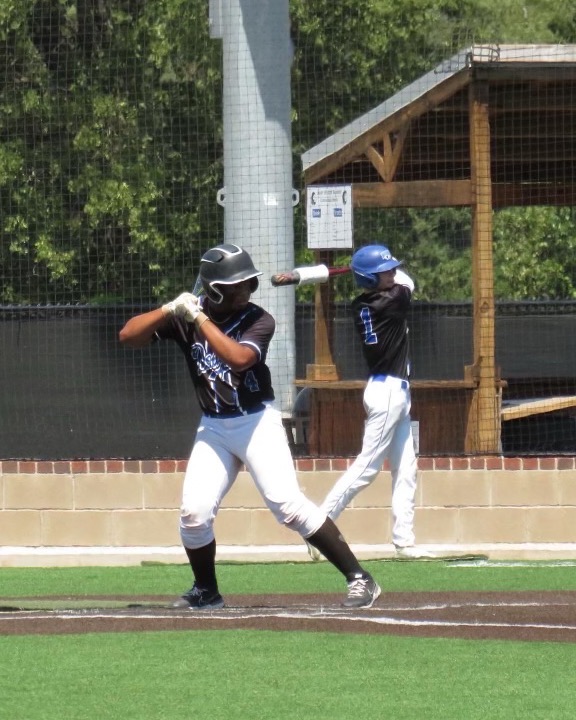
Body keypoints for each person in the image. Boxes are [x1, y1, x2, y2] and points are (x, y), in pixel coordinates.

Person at [119, 242, 381, 609]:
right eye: (236, 285)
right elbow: (127, 336)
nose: (246, 290)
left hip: (256, 422)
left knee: (288, 506)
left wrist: (198, 319)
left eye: (248, 283)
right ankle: (206, 591)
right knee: (193, 514)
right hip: (214, 426)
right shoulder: (186, 316)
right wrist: (169, 309)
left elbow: (239, 358)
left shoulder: (259, 319)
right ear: (214, 290)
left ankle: (360, 578)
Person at [307, 244, 435, 561]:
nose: (391, 273)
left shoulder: (362, 304)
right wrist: (375, 270)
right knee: (367, 468)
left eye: (390, 269)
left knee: (406, 469)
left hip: (393, 391)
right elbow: (408, 281)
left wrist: (373, 270)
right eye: (383, 272)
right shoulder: (392, 300)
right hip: (388, 393)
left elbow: (396, 278)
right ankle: (317, 528)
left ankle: (404, 541)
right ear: (368, 280)